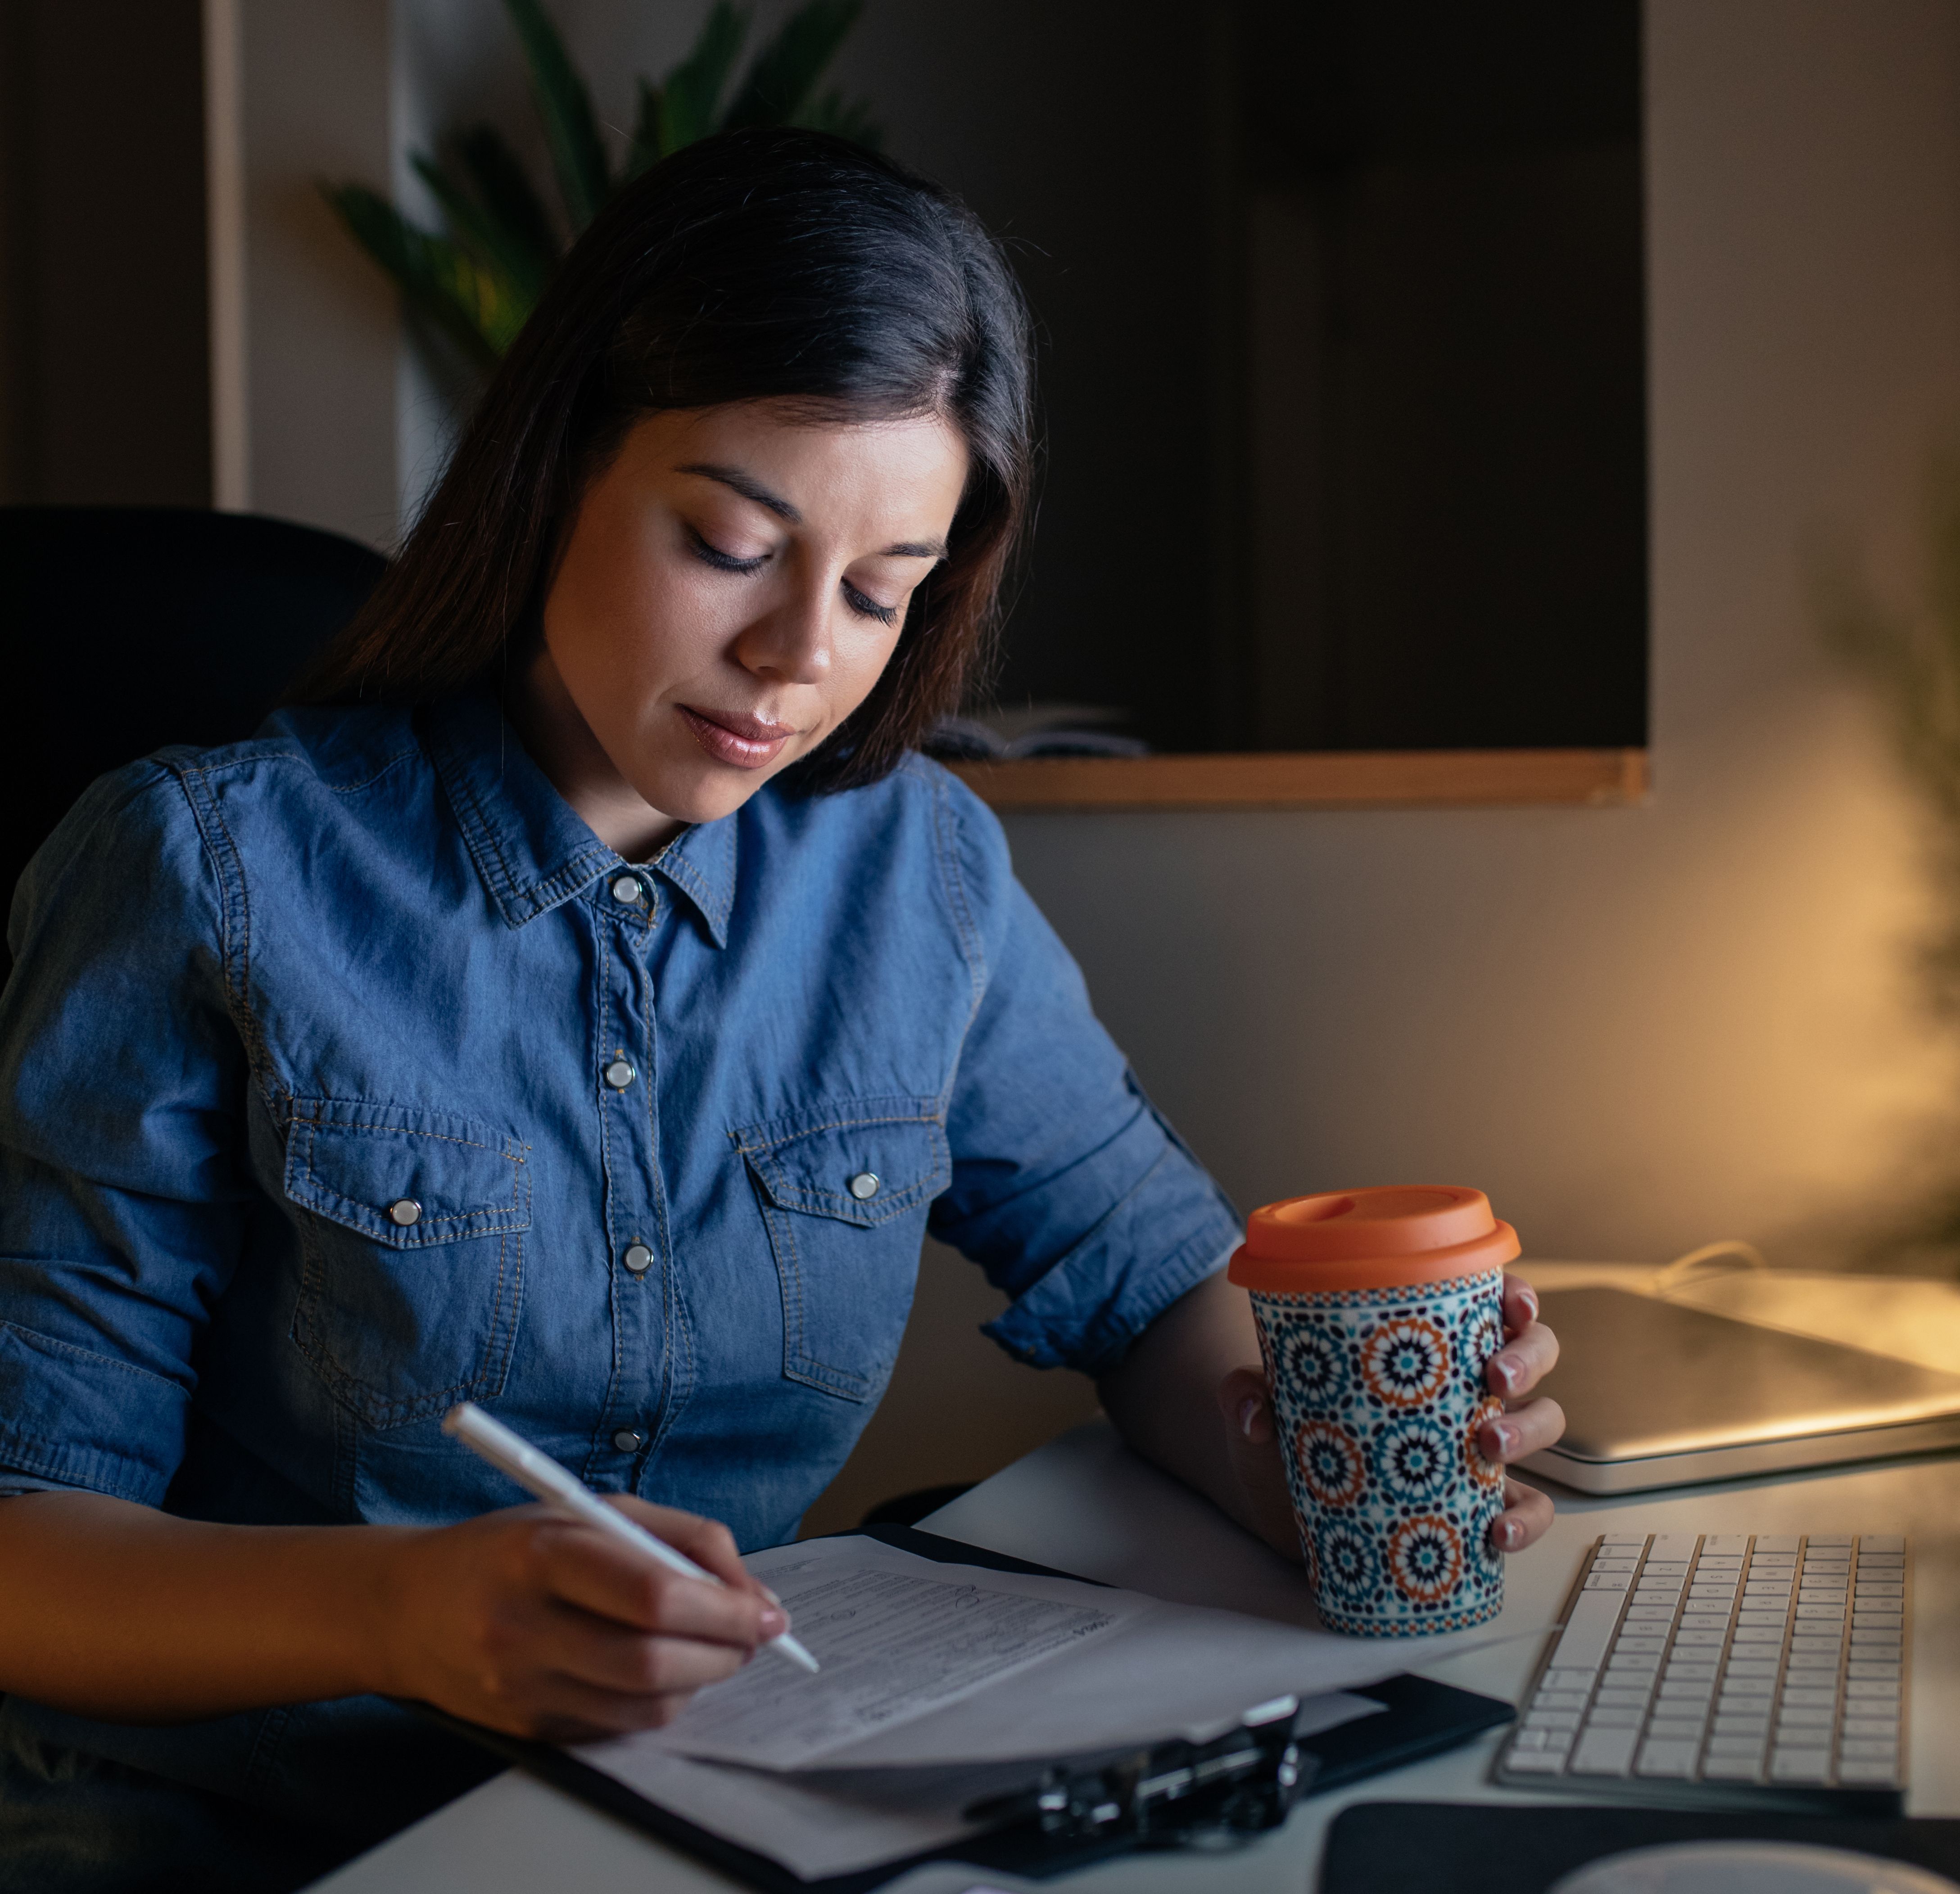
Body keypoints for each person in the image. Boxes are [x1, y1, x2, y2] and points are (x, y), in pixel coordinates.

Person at [0, 129, 1565, 1892]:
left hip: (689, 1815)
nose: (800, 656)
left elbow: (1150, 1285)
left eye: (885, 588)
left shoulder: (917, 879)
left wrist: (1311, 1471)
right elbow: (27, 1542)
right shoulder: (202, 868)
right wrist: (404, 1610)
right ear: (557, 463)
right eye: (731, 544)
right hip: (249, 1839)